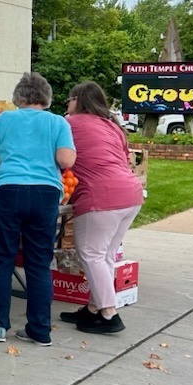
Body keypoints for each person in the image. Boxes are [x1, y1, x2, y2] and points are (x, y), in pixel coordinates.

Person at [0, 72, 75, 347]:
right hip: (45, 193)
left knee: (1, 260)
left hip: (7, 190)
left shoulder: (6, 119)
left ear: (19, 96)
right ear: (47, 97)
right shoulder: (58, 122)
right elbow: (65, 159)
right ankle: (40, 330)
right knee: (39, 263)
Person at [62, 81, 145, 335]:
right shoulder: (114, 127)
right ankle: (93, 310)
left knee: (91, 254)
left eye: (70, 99)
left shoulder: (70, 124)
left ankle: (109, 314)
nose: (67, 104)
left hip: (101, 197)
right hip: (131, 194)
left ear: (78, 100)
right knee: (105, 255)